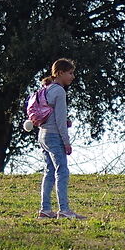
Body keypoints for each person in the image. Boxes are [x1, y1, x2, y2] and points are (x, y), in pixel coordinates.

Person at [31, 58, 83, 220]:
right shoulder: (60, 91)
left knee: (49, 171)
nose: (73, 77)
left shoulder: (46, 88)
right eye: (70, 73)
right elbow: (60, 120)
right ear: (60, 73)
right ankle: (64, 210)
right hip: (54, 136)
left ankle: (45, 209)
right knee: (62, 171)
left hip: (43, 134)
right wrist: (66, 142)